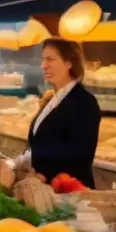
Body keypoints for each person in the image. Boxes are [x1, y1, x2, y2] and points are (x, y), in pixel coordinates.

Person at [18, 39, 101, 188]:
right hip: (45, 188)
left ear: (69, 63)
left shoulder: (84, 102)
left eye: (50, 59)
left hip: (70, 191)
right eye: (42, 59)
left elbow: (81, 153)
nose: (43, 65)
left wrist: (34, 156)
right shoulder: (52, 98)